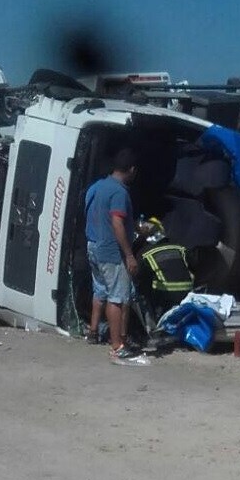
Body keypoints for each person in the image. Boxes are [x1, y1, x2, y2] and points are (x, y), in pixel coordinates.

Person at [84, 147, 140, 359]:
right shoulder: (119, 192)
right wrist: (129, 254)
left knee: (100, 291)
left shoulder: (96, 186)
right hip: (111, 251)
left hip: (93, 245)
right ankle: (118, 344)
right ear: (132, 169)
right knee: (117, 297)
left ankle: (93, 330)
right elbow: (117, 223)